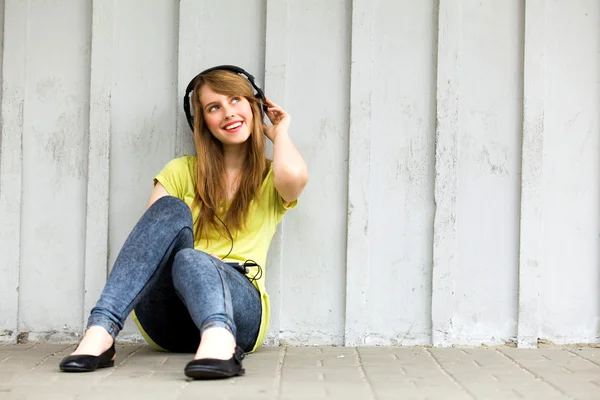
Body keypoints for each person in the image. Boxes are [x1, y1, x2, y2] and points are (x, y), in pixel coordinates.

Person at [58, 65, 308, 379]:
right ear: (202, 122)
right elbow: (151, 247)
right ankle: (101, 332)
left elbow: (295, 177)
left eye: (236, 100)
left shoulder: (271, 176)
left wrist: (279, 131)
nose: (228, 113)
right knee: (170, 210)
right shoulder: (180, 171)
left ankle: (220, 341)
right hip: (168, 320)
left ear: (254, 105)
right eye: (214, 107)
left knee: (192, 258)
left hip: (239, 312)